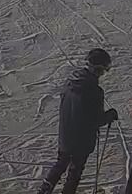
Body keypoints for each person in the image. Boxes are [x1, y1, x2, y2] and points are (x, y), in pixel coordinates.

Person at [36, 48, 119, 194]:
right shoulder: (94, 91)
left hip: (66, 135)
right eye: (102, 71)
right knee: (75, 172)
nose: (102, 74)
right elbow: (97, 119)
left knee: (61, 164)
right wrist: (111, 115)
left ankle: (43, 190)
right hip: (82, 140)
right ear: (98, 69)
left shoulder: (70, 82)